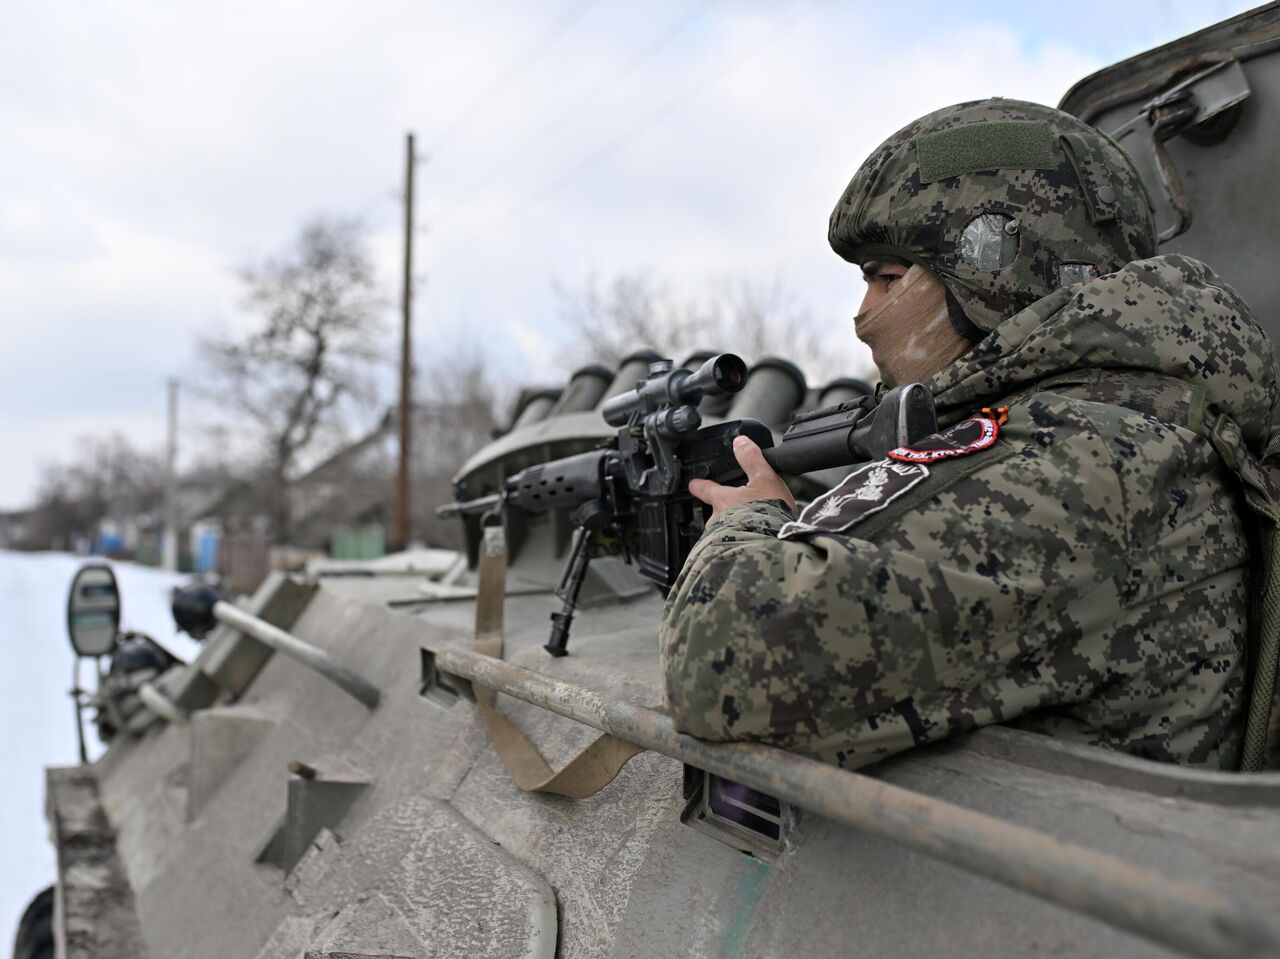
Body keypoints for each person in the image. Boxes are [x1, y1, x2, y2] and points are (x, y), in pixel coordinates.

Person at [658, 98, 1278, 771]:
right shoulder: (1118, 428)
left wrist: (747, 518)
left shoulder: (1087, 464)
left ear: (998, 274)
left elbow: (722, 659)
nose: (863, 313)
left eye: (889, 277)